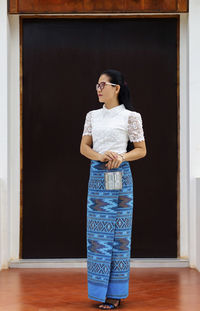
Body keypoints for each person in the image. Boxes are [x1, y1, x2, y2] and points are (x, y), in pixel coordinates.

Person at [80, 69, 147, 309]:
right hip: (97, 177)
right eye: (97, 85)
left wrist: (121, 156)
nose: (98, 89)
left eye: (103, 85)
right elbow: (84, 148)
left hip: (120, 177)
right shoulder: (92, 116)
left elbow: (141, 149)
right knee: (97, 237)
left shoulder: (131, 117)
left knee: (119, 236)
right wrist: (100, 155)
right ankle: (98, 292)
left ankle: (115, 293)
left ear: (116, 88)